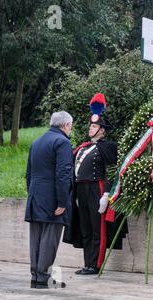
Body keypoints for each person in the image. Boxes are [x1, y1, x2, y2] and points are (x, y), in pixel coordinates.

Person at [63, 93, 128, 275]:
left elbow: (113, 170)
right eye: (91, 125)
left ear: (102, 130)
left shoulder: (107, 147)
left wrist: (106, 194)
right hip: (81, 189)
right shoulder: (83, 147)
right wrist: (74, 194)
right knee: (85, 228)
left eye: (94, 126)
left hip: (96, 189)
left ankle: (96, 264)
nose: (91, 128)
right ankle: (87, 263)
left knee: (97, 229)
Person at [25, 111, 73, 289]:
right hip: (53, 198)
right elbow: (63, 174)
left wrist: (32, 194)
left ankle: (36, 277)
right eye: (71, 127)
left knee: (36, 238)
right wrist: (62, 202)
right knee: (49, 240)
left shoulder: (36, 142)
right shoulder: (62, 142)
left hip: (35, 196)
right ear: (66, 125)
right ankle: (43, 278)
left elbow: (29, 173)